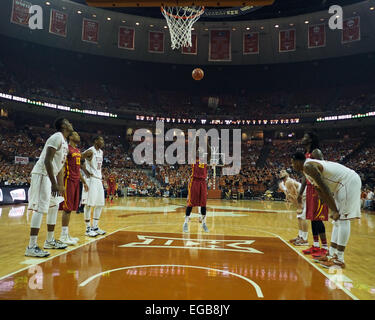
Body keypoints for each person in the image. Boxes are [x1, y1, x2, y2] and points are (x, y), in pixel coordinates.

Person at [291, 152, 361, 269]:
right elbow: (320, 191)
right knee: (337, 221)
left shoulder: (308, 166)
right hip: (340, 185)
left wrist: (334, 210)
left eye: (293, 163)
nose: (292, 166)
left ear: (298, 161)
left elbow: (325, 188)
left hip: (348, 181)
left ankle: (339, 259)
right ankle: (331, 254)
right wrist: (331, 208)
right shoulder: (306, 170)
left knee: (343, 220)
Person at [25, 118, 73, 257]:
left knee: (53, 207)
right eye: (68, 122)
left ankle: (49, 240)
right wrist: (53, 183)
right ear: (63, 126)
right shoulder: (56, 137)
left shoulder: (64, 141)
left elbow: (60, 165)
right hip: (42, 174)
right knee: (40, 209)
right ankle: (31, 246)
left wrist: (60, 184)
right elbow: (47, 160)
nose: (71, 124)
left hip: (51, 177)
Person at [297, 132, 329, 258]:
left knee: (318, 218)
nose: (302, 139)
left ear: (310, 140)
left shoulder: (316, 152)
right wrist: (300, 192)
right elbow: (305, 176)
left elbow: (324, 170)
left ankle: (325, 247)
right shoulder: (306, 155)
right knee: (312, 217)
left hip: (317, 188)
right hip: (309, 188)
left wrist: (321, 190)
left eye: (305, 137)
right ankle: (315, 245)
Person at [59, 131, 92, 245]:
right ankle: (63, 236)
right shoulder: (67, 149)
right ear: (71, 137)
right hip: (68, 180)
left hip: (76, 181)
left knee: (71, 209)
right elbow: (62, 165)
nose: (79, 136)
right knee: (66, 208)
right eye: (76, 134)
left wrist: (84, 182)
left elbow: (78, 170)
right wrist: (60, 183)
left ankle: (66, 234)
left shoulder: (77, 151)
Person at [81, 136, 106, 237]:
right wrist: (85, 171)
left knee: (100, 204)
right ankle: (87, 229)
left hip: (98, 179)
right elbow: (78, 159)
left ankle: (95, 226)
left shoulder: (101, 152)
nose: (103, 142)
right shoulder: (90, 151)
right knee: (88, 204)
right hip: (91, 180)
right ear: (95, 141)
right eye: (101, 140)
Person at [278, 170, 308, 246]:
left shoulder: (288, 182)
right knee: (299, 217)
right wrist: (288, 198)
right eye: (281, 172)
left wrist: (299, 206)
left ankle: (305, 239)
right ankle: (300, 236)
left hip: (305, 196)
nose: (281, 172)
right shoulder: (283, 184)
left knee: (303, 217)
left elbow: (296, 195)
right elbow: (289, 195)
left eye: (283, 172)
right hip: (301, 197)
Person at [183, 154, 209, 233]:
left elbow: (209, 153)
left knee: (203, 204)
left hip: (203, 182)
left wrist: (206, 141)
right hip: (194, 181)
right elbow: (191, 151)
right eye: (198, 150)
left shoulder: (205, 159)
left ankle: (204, 223)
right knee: (191, 203)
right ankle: (185, 223)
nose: (199, 151)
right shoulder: (193, 158)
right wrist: (195, 141)